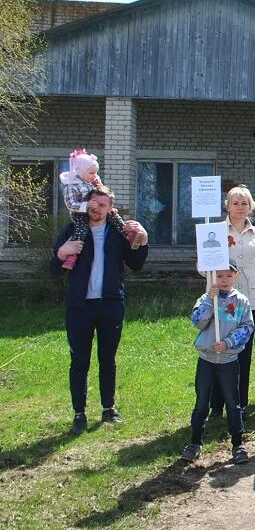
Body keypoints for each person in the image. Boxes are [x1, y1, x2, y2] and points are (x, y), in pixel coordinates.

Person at [51, 185, 149, 435]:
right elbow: (54, 268)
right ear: (87, 205)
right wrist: (63, 252)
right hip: (79, 306)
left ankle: (109, 408)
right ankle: (79, 413)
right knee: (79, 361)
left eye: (102, 205)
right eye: (93, 204)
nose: (96, 209)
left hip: (110, 304)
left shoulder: (118, 233)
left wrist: (143, 239)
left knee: (108, 359)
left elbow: (136, 264)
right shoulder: (74, 230)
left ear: (110, 209)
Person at [180, 263, 254, 465]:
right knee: (202, 402)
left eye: (228, 276)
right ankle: (195, 442)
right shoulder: (206, 299)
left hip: (228, 360)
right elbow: (198, 322)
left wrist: (228, 342)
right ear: (212, 277)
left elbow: (247, 327)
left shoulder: (241, 301)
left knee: (233, 403)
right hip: (207, 360)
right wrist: (209, 301)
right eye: (219, 276)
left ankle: (238, 444)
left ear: (235, 276)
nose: (223, 280)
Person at [213, 185, 255, 416]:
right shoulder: (215, 230)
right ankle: (216, 406)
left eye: (244, 203)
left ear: (251, 207)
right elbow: (201, 268)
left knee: (243, 353)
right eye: (235, 203)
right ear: (228, 205)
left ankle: (239, 404)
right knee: (221, 350)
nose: (240, 207)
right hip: (223, 297)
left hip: (250, 299)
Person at [58, 148, 145, 269]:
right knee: (81, 229)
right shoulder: (71, 186)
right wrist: (61, 253)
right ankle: (72, 256)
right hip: (80, 213)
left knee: (115, 217)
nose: (95, 175)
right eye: (92, 173)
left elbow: (102, 194)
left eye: (96, 172)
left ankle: (128, 236)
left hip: (111, 287)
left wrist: (99, 186)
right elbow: (71, 205)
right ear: (81, 171)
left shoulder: (89, 182)